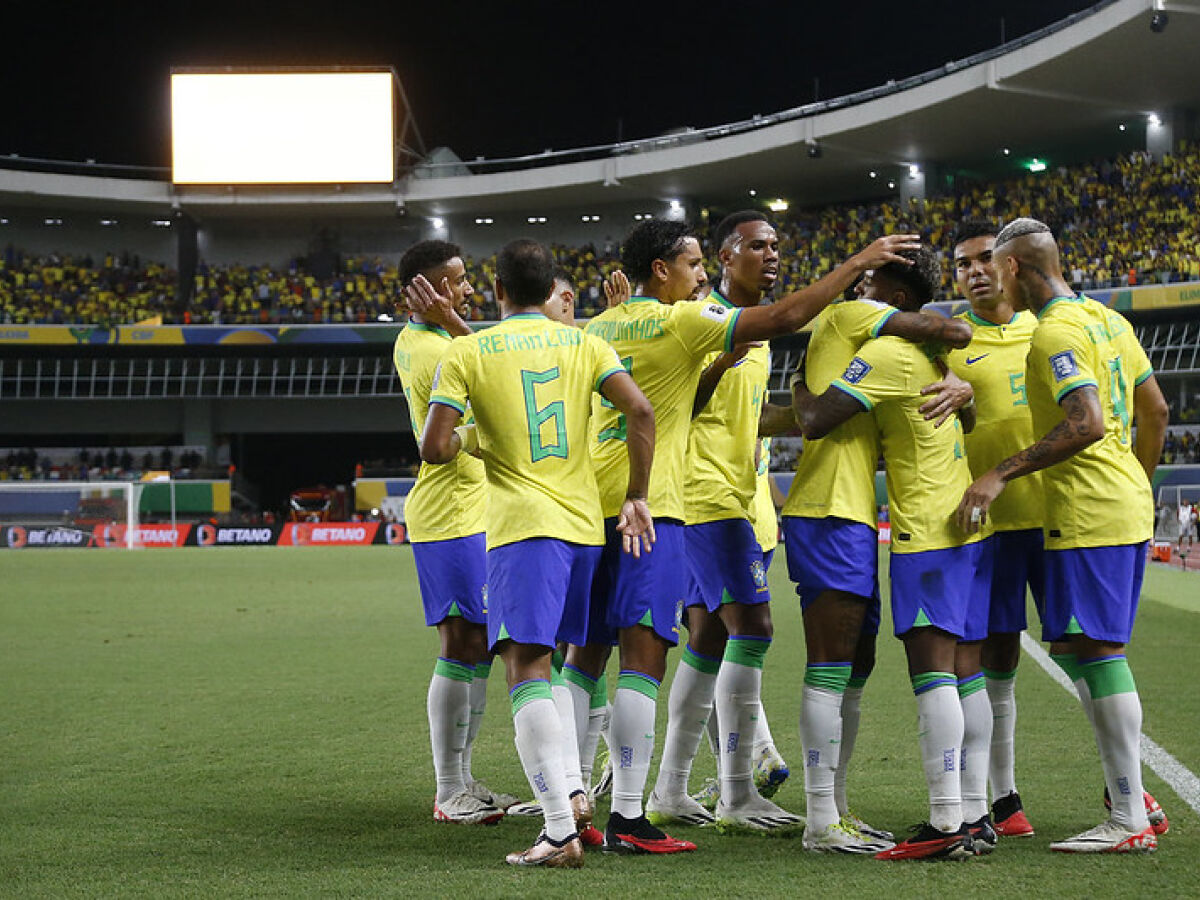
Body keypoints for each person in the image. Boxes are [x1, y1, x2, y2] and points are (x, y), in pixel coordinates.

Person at [650, 212, 922, 834]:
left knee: (710, 640)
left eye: (776, 246)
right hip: (705, 496)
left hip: (735, 497)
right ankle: (737, 791)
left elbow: (747, 414)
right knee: (754, 626)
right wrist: (856, 264)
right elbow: (679, 402)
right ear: (723, 257)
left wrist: (807, 409)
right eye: (755, 246)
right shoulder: (706, 321)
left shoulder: (751, 334)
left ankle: (671, 789)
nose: (770, 256)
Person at [418, 238, 656, 869]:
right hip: (585, 529)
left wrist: (475, 437)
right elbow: (640, 409)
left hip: (524, 531)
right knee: (560, 665)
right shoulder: (586, 343)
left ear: (497, 291)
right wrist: (637, 495)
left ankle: (557, 830)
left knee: (526, 669)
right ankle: (573, 790)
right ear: (552, 286)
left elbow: (434, 446)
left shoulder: (466, 351)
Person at [956, 217, 1170, 853]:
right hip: (1120, 505)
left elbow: (1086, 422)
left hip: (1083, 511)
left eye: (994, 264)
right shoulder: (1110, 320)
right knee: (1087, 652)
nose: (988, 275)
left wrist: (1000, 471)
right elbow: (1155, 410)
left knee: (1099, 656)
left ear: (1013, 268)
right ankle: (1126, 798)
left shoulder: (1052, 330)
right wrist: (1136, 482)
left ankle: (1128, 813)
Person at [792, 244, 982, 861]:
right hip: (904, 519)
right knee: (875, 666)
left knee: (912, 670)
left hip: (915, 526)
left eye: (866, 282)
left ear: (893, 300)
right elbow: (960, 397)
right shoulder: (913, 353)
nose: (854, 290)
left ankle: (944, 819)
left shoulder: (882, 346)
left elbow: (816, 416)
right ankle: (840, 815)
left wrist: (797, 389)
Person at [392, 240, 512, 826]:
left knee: (478, 647)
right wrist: (451, 321)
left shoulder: (439, 340)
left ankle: (464, 781)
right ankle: (447, 790)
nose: (467, 289)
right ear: (428, 288)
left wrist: (450, 319)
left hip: (477, 508)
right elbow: (495, 368)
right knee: (458, 645)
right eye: (456, 281)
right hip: (449, 513)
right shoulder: (425, 352)